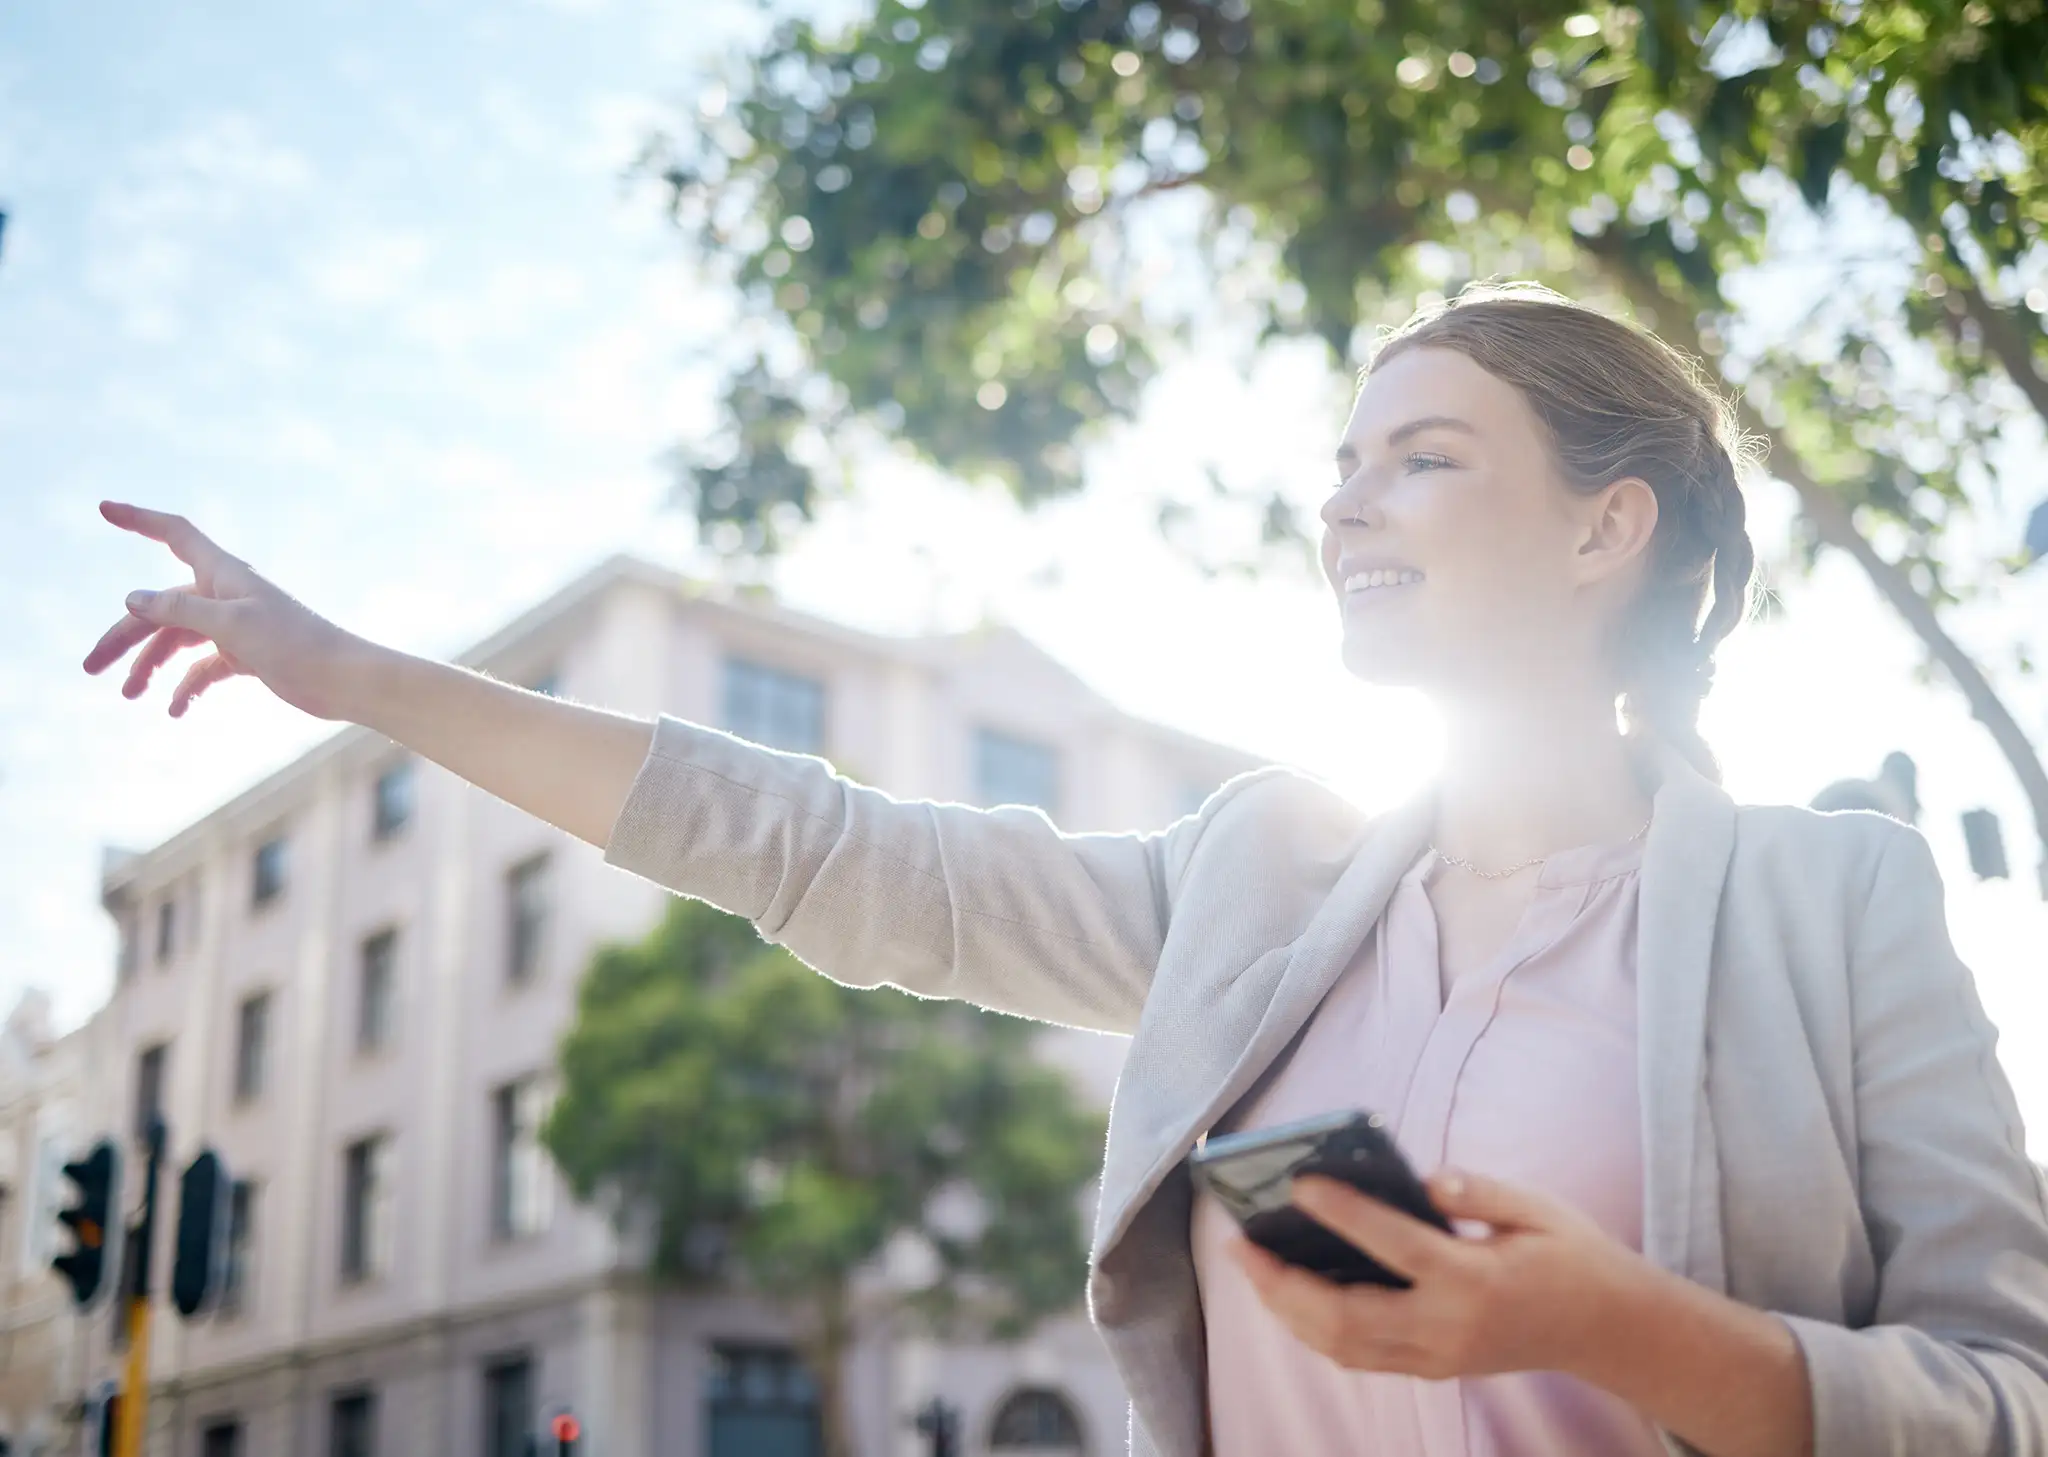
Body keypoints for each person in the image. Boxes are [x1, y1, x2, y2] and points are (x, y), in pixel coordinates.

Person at [84, 282, 2048, 1457]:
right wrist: (348, 674)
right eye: (1341, 460)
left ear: (1604, 522)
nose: (1342, 499)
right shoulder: (1256, 874)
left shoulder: (1835, 898)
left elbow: (2005, 1396)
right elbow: (826, 850)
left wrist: (1610, 1323)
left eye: (1423, 455)